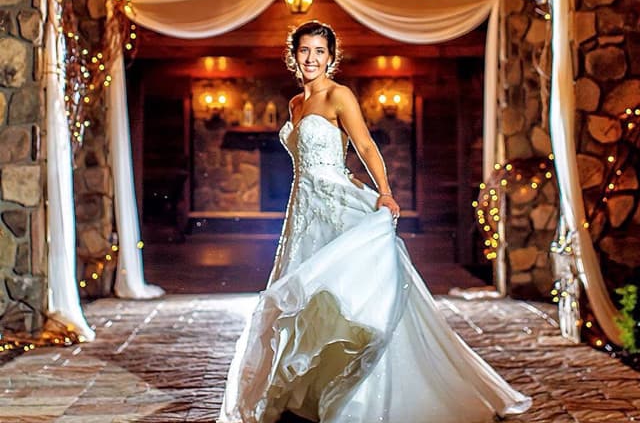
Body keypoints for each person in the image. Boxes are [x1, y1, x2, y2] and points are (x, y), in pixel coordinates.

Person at [218, 21, 531, 423]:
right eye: (304, 51)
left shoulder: (338, 95)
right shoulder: (295, 104)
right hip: (302, 211)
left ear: (331, 57)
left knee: (344, 291)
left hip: (335, 204)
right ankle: (309, 391)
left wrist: (384, 190)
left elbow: (364, 144)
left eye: (319, 51)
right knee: (306, 297)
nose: (311, 58)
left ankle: (366, 394)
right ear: (293, 55)